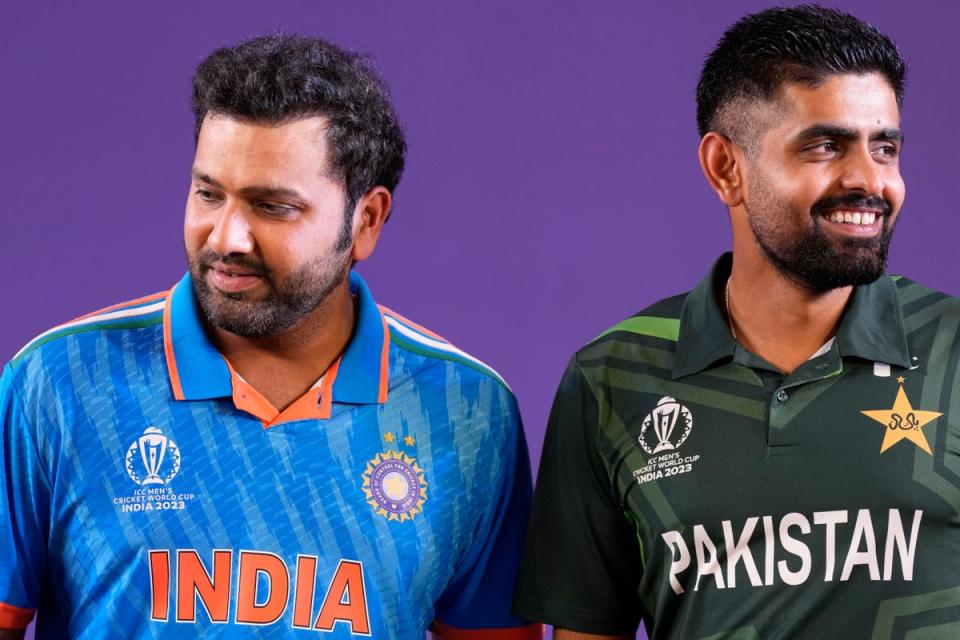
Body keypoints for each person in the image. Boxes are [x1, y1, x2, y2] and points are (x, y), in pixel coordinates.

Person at [0, 34, 540, 639]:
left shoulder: (468, 410)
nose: (227, 237)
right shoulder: (57, 380)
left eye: (273, 206)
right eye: (209, 193)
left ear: (366, 220)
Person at [513, 5, 959, 639]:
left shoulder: (954, 349)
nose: (869, 180)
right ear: (726, 168)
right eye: (826, 145)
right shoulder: (612, 376)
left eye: (884, 147)